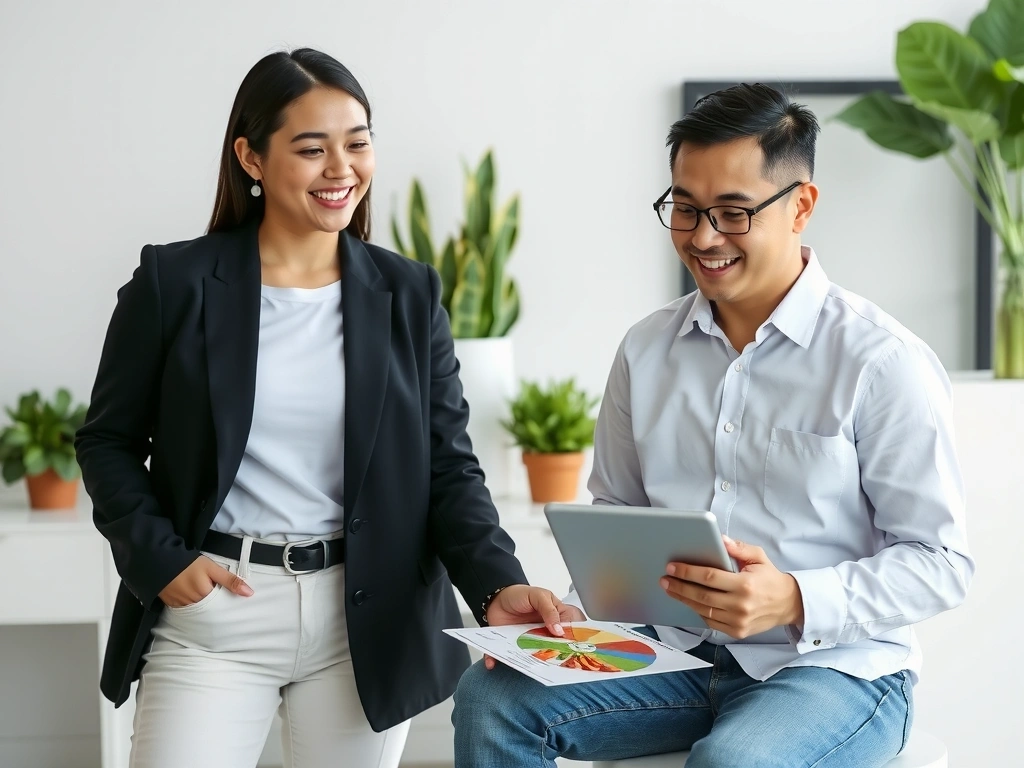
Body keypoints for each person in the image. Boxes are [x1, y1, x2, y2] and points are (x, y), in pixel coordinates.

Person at [75, 48, 574, 768]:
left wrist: (500, 583)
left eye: (358, 142)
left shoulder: (409, 294)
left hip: (365, 619)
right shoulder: (174, 283)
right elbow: (108, 442)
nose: (342, 169)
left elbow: (447, 467)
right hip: (216, 613)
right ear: (251, 157)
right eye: (311, 149)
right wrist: (160, 561)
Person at [452, 83, 974, 768]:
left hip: (835, 671)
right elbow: (618, 513)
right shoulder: (645, 349)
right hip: (673, 657)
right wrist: (579, 620)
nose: (702, 238)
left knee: (734, 762)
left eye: (732, 213)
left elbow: (941, 564)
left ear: (801, 207)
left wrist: (791, 597)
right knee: (493, 704)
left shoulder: (880, 361)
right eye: (685, 209)